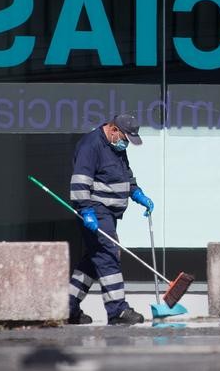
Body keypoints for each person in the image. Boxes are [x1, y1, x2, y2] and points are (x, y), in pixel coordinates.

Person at [67, 113, 155, 325]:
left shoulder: (116, 146)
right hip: (96, 210)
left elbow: (125, 176)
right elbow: (80, 181)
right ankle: (117, 311)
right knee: (108, 256)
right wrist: (86, 210)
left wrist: (137, 194)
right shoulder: (91, 145)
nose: (126, 144)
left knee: (92, 260)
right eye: (125, 138)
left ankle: (66, 307)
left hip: (109, 213)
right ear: (114, 129)